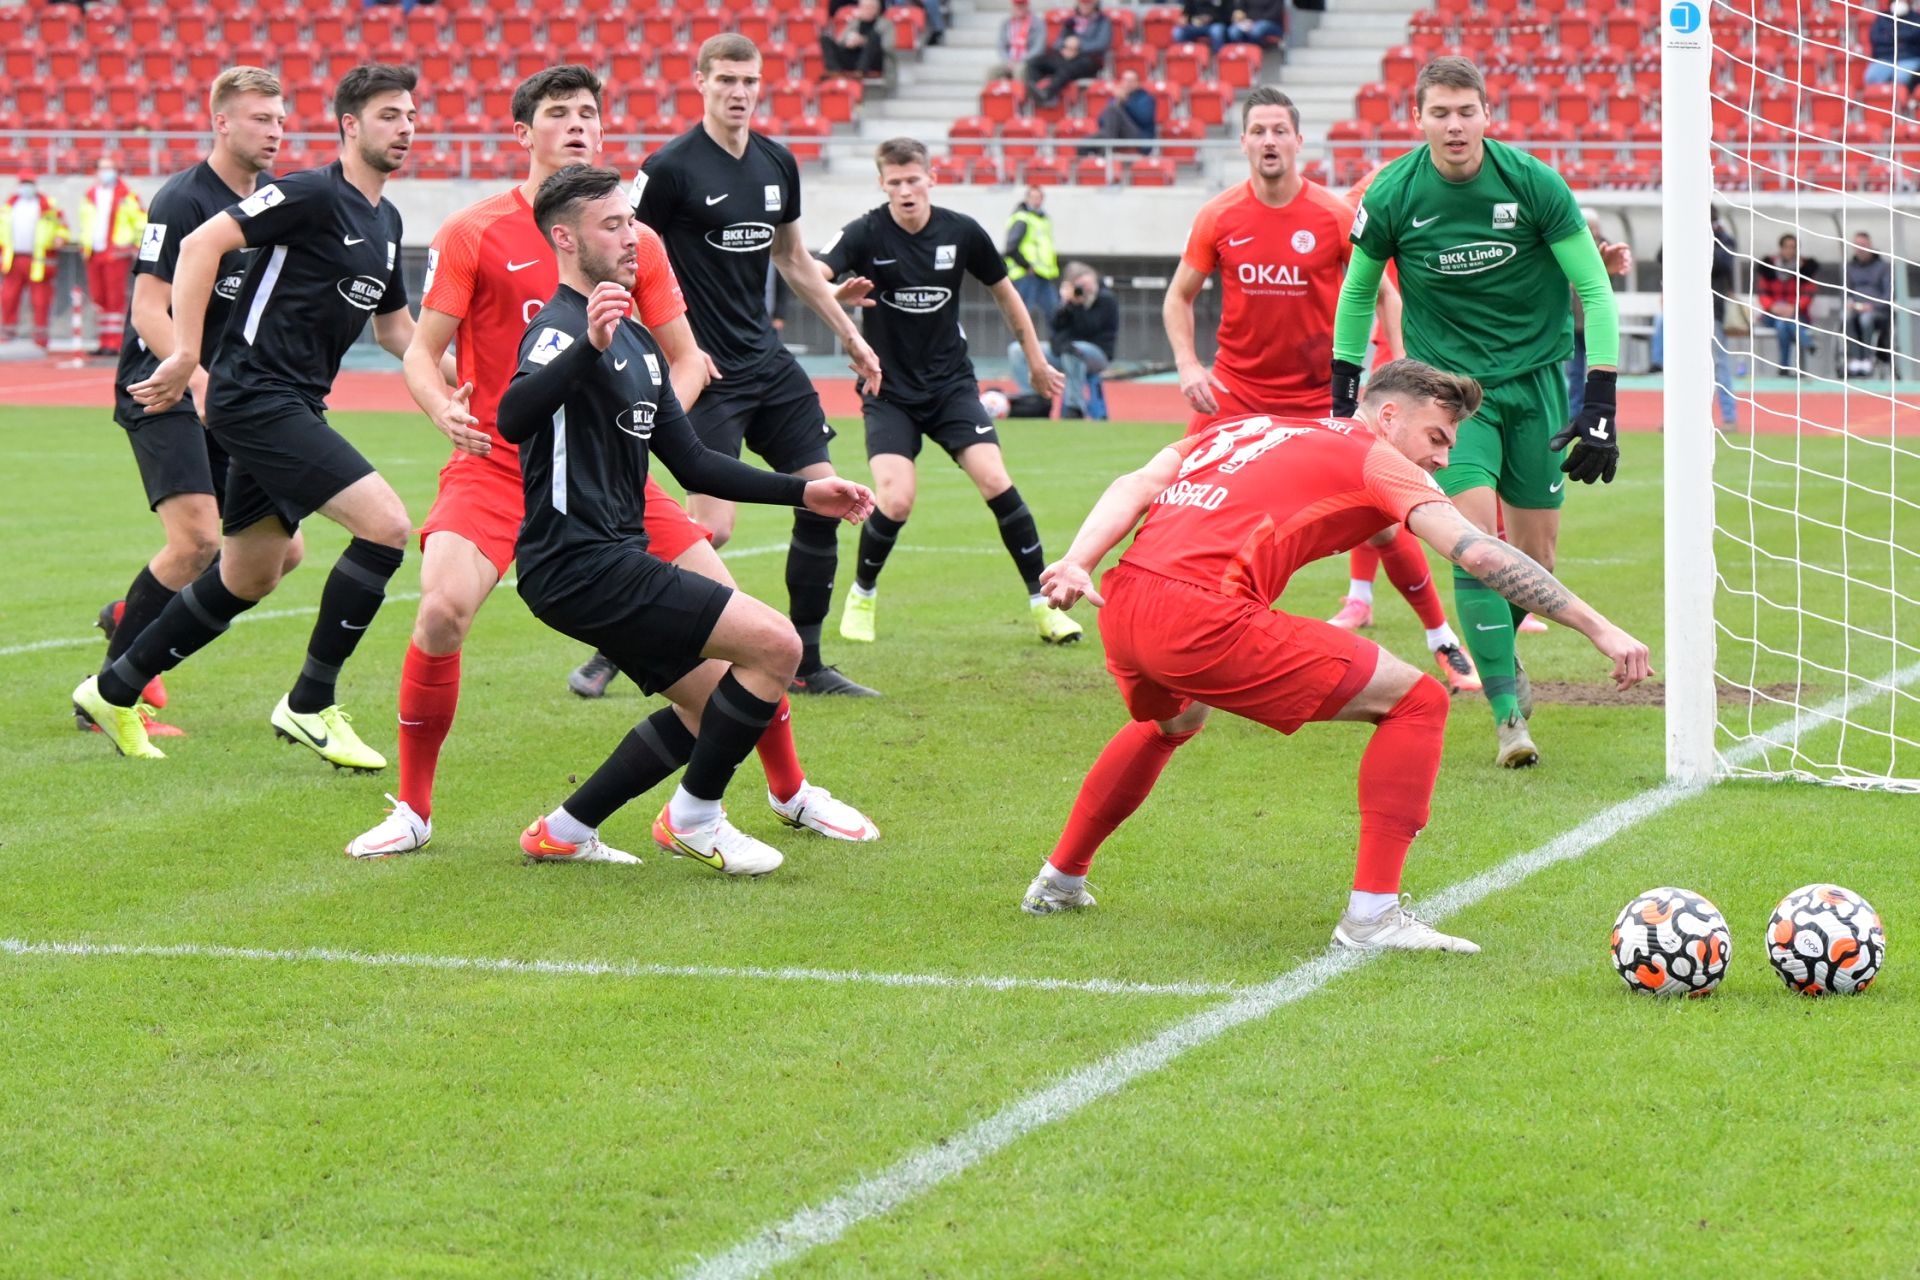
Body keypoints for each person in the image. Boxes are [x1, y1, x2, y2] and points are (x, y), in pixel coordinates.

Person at [349, 65, 877, 859]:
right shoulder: (474, 231)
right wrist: (442, 407)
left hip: (610, 478)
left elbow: (689, 359)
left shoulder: (633, 238)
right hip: (496, 464)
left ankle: (789, 790)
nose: (578, 126)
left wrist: (642, 417)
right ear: (522, 134)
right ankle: (415, 811)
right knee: (440, 611)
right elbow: (422, 355)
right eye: (558, 114)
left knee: (740, 622)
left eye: (589, 113)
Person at [1019, 361, 1652, 947]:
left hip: (1126, 604)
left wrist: (1079, 559)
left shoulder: (1250, 427)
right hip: (1202, 615)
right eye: (1436, 437)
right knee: (1418, 701)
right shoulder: (1376, 460)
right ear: (1387, 416)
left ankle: (1058, 881)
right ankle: (1373, 916)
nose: (1441, 457)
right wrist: (1599, 628)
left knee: (1171, 720)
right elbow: (1478, 551)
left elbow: (1138, 482)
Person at [497, 165, 878, 872]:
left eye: (630, 221)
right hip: (576, 561)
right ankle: (695, 817)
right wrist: (589, 346)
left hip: (610, 557)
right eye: (611, 225)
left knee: (709, 707)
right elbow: (513, 418)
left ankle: (564, 829)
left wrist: (805, 494)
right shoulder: (557, 331)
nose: (630, 236)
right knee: (776, 647)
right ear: (565, 237)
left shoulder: (639, 344)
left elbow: (696, 465)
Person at [78, 65, 427, 766]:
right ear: (350, 126)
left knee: (254, 571)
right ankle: (310, 703)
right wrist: (185, 363)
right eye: (390, 115)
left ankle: (112, 689)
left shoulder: (385, 222)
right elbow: (195, 255)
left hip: (278, 397)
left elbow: (397, 331)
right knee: (385, 528)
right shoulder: (297, 193)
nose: (408, 127)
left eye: (412, 115)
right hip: (246, 394)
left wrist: (461, 380)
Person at [1331, 56, 1625, 768]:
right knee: (1467, 534)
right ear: (1418, 120)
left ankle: (1501, 657)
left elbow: (1594, 286)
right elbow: (1358, 294)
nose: (1455, 125)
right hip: (1451, 395)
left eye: (1467, 111)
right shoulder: (1396, 193)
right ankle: (1505, 715)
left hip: (1535, 384)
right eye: (1441, 113)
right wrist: (1343, 404)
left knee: (1535, 554)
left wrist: (1602, 401)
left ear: (1488, 115)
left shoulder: (1533, 183)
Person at [1162, 90, 1478, 695]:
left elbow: (1385, 292)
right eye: (1259, 130)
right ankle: (1173, 639)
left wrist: (1398, 359)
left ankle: (1442, 639)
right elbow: (1179, 296)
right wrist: (1187, 364)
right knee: (1177, 500)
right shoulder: (1219, 215)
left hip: (1317, 399)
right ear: (1245, 142)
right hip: (1235, 394)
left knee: (1381, 521)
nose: (1270, 140)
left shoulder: (1333, 215)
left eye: (1281, 130)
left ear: (1299, 141)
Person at [634, 34, 885, 698]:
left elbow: (795, 260)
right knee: (710, 527)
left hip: (769, 366)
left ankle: (807, 663)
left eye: (749, 81)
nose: (739, 92)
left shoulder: (777, 162)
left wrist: (850, 335)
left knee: (825, 501)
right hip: (710, 371)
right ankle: (633, 638)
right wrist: (669, 351)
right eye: (726, 81)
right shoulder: (667, 169)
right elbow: (623, 261)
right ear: (700, 82)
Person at [91, 67, 306, 741]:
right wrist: (199, 379)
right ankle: (109, 694)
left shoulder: (273, 200)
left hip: (233, 395)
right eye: (260, 119)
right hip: (164, 388)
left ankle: (134, 614)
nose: (275, 131)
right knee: (197, 542)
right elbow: (146, 309)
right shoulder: (183, 199)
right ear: (221, 122)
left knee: (281, 555)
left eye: (279, 119)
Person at [817, 136, 1077, 647]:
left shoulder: (961, 232)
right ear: (882, 184)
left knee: (996, 481)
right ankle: (863, 595)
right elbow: (812, 277)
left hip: (951, 386)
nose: (906, 191)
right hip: (888, 389)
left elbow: (1008, 298)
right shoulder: (864, 233)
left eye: (914, 180)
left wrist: (1037, 361)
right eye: (895, 183)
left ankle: (1045, 608)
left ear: (931, 178)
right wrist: (834, 295)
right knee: (895, 499)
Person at [1565, 208, 1634, 420]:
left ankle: (1597, 416)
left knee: (1599, 375)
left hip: (1595, 325)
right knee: (1574, 374)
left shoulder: (1607, 251)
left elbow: (1603, 289)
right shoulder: (1568, 248)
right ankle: (1574, 415)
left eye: (1594, 228)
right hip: (1574, 324)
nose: (1592, 231)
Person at [79, 155, 146, 356]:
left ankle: (115, 342)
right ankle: (103, 340)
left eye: (109, 168)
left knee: (114, 298)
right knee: (99, 297)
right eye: (102, 168)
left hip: (116, 252)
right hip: (94, 252)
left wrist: (134, 245)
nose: (106, 172)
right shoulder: (90, 195)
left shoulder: (127, 196)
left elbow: (141, 222)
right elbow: (86, 223)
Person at [0, 171, 70, 348]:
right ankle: (7, 335)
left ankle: (40, 338)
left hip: (38, 260)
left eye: (29, 183)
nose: (26, 187)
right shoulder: (9, 206)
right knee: (8, 298)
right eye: (23, 183)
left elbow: (63, 227)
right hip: (13, 259)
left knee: (40, 300)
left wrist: (60, 238)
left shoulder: (47, 206)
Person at [1024, 0, 1111, 107]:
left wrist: (1078, 45)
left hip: (1089, 60)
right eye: (1083, 3)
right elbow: (1058, 42)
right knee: (1034, 62)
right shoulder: (1071, 20)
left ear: (1094, 4)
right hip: (1066, 56)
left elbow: (1101, 44)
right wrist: (1066, 46)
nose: (1085, 6)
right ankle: (1035, 93)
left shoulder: (1102, 21)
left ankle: (1047, 93)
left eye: (1088, 3)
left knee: (1067, 68)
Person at [1756, 233, 1819, 372]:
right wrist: (1773, 307)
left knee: (1782, 324)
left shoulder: (1806, 269)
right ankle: (1806, 342)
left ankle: (1783, 367)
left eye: (1794, 247)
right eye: (1787, 247)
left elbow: (1808, 294)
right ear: (1781, 248)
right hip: (1771, 313)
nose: (1790, 250)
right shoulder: (1768, 266)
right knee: (1781, 322)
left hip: (1797, 313)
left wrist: (1794, 307)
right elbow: (1762, 293)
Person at [1003, 184, 1057, 330]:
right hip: (1026, 274)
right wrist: (1027, 266)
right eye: (1033, 197)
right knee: (1023, 316)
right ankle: (1020, 349)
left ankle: (1058, 348)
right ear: (1027, 199)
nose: (1037, 201)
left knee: (1055, 314)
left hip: (1043, 275)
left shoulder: (1044, 220)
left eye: (1039, 197)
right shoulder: (1022, 218)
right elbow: (1011, 248)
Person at [1844, 230, 1892, 377]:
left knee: (1866, 318)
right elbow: (1845, 291)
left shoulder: (1883, 267)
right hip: (1856, 309)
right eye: (1857, 245)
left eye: (1863, 245)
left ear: (1870, 245)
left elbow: (1888, 294)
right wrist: (1849, 303)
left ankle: (1867, 357)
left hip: (1878, 312)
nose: (1861, 248)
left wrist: (1872, 306)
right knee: (1845, 317)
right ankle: (1855, 358)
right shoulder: (1850, 267)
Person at [1710, 211, 1739, 430]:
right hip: (1684, 311)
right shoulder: (1679, 231)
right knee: (1680, 364)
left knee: (1719, 363)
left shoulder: (1723, 238)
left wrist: (1710, 237)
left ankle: (1729, 417)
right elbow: (1663, 256)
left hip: (1714, 309)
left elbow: (1721, 262)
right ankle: (1677, 417)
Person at [820, 0, 895, 82]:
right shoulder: (854, 22)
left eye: (870, 7)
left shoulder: (886, 24)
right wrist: (848, 42)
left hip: (873, 61)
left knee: (874, 36)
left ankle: (860, 71)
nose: (867, 10)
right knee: (825, 39)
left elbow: (888, 46)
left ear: (877, 9)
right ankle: (835, 71)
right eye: (864, 7)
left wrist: (864, 41)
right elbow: (840, 41)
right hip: (853, 56)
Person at [1092, 69, 1156, 154]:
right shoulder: (1116, 99)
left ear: (1138, 83)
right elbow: (1101, 122)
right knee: (1085, 143)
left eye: (1131, 81)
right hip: (1115, 134)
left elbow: (1144, 118)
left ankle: (1106, 152)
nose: (1128, 83)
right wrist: (1117, 101)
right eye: (1125, 80)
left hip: (1139, 135)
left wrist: (1125, 101)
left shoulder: (1145, 98)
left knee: (1112, 110)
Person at [1865, 0, 1920, 95]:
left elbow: (1915, 36)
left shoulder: (1916, 18)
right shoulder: (1882, 18)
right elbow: (1876, 38)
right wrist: (1900, 38)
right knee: (1872, 77)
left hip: (1909, 57)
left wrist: (1892, 36)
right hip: (1886, 58)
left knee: (1901, 78)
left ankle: (1903, 105)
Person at [991, 0, 1044, 81]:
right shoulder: (1006, 23)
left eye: (1022, 5)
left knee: (1020, 70)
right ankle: (991, 93)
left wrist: (1021, 60)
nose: (1019, 8)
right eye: (1017, 5)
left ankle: (1018, 93)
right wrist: (1008, 61)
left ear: (1027, 6)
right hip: (1009, 60)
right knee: (992, 71)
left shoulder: (1037, 23)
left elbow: (1038, 48)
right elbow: (1001, 46)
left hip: (1027, 61)